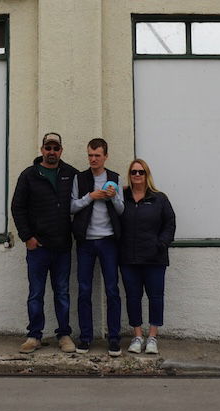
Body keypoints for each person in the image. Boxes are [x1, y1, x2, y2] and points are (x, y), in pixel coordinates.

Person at [10, 132, 78, 354]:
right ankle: (34, 336)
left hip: (62, 247)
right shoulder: (29, 175)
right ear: (42, 150)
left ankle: (64, 335)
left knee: (62, 292)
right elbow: (17, 208)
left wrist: (118, 189)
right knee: (36, 293)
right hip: (37, 247)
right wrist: (27, 237)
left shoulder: (70, 174)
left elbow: (87, 194)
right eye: (48, 148)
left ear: (61, 150)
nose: (51, 152)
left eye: (55, 148)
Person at [70, 137, 124, 356]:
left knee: (112, 290)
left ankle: (114, 339)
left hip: (109, 241)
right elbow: (72, 207)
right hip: (86, 241)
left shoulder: (115, 178)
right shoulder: (80, 178)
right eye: (90, 155)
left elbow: (122, 210)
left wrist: (112, 198)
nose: (93, 159)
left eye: (97, 155)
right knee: (84, 290)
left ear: (105, 156)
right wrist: (90, 197)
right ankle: (85, 338)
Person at [119, 157, 176, 355]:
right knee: (133, 297)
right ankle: (137, 336)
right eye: (133, 172)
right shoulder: (122, 198)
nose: (136, 175)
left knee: (155, 297)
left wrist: (161, 244)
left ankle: (152, 337)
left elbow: (170, 224)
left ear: (146, 175)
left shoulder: (159, 198)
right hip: (129, 258)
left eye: (140, 172)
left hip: (154, 258)